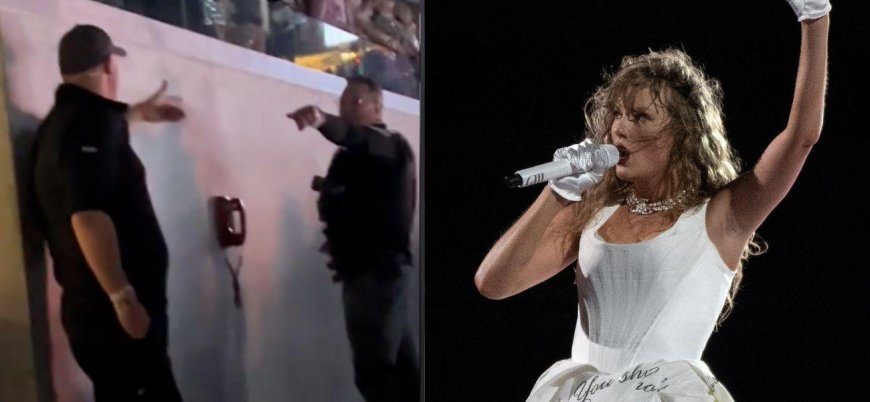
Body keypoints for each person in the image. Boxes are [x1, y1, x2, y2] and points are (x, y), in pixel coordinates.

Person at [474, 0, 830, 400]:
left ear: (684, 135)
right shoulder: (591, 214)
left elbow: (801, 137)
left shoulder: (721, 217)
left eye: (640, 117)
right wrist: (556, 193)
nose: (619, 129)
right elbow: (492, 284)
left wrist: (814, 17)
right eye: (617, 114)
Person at [31, 25, 185, 401]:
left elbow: (92, 162)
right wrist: (123, 298)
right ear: (107, 65)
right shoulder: (90, 125)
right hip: (112, 319)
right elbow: (87, 216)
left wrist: (134, 115)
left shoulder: (63, 124)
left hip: (94, 315)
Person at [286, 76, 419, 402]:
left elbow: (354, 137)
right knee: (399, 368)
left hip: (377, 273)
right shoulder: (357, 156)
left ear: (377, 106)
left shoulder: (388, 143)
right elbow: (356, 199)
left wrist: (320, 120)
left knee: (375, 371)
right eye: (342, 102)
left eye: (354, 102)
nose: (345, 107)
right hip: (365, 271)